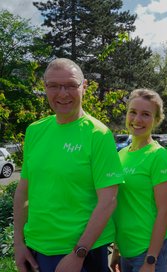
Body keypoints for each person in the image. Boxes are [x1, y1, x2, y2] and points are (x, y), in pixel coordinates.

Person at [13, 58, 124, 272]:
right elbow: (23, 193)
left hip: (82, 254)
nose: (62, 94)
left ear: (84, 87)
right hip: (37, 250)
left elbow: (108, 201)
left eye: (71, 85)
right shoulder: (35, 131)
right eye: (53, 86)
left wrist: (78, 253)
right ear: (44, 88)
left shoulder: (97, 134)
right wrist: (19, 242)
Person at [110, 89, 167, 272]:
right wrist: (117, 250)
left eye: (146, 114)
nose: (137, 119)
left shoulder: (158, 156)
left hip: (149, 252)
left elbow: (164, 211)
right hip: (127, 250)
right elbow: (121, 206)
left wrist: (151, 259)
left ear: (156, 120)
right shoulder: (121, 154)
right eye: (133, 112)